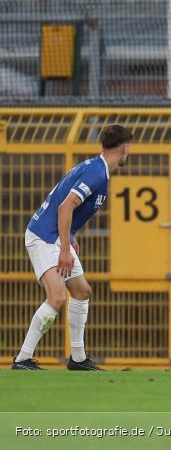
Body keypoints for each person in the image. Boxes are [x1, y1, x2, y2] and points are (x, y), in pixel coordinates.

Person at [13, 124, 133, 371]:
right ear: (124, 148)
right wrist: (65, 249)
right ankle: (22, 359)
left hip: (58, 234)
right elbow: (65, 207)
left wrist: (71, 235)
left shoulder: (95, 167)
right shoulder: (97, 174)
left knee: (81, 291)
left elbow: (66, 204)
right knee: (57, 297)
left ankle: (78, 359)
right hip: (44, 236)